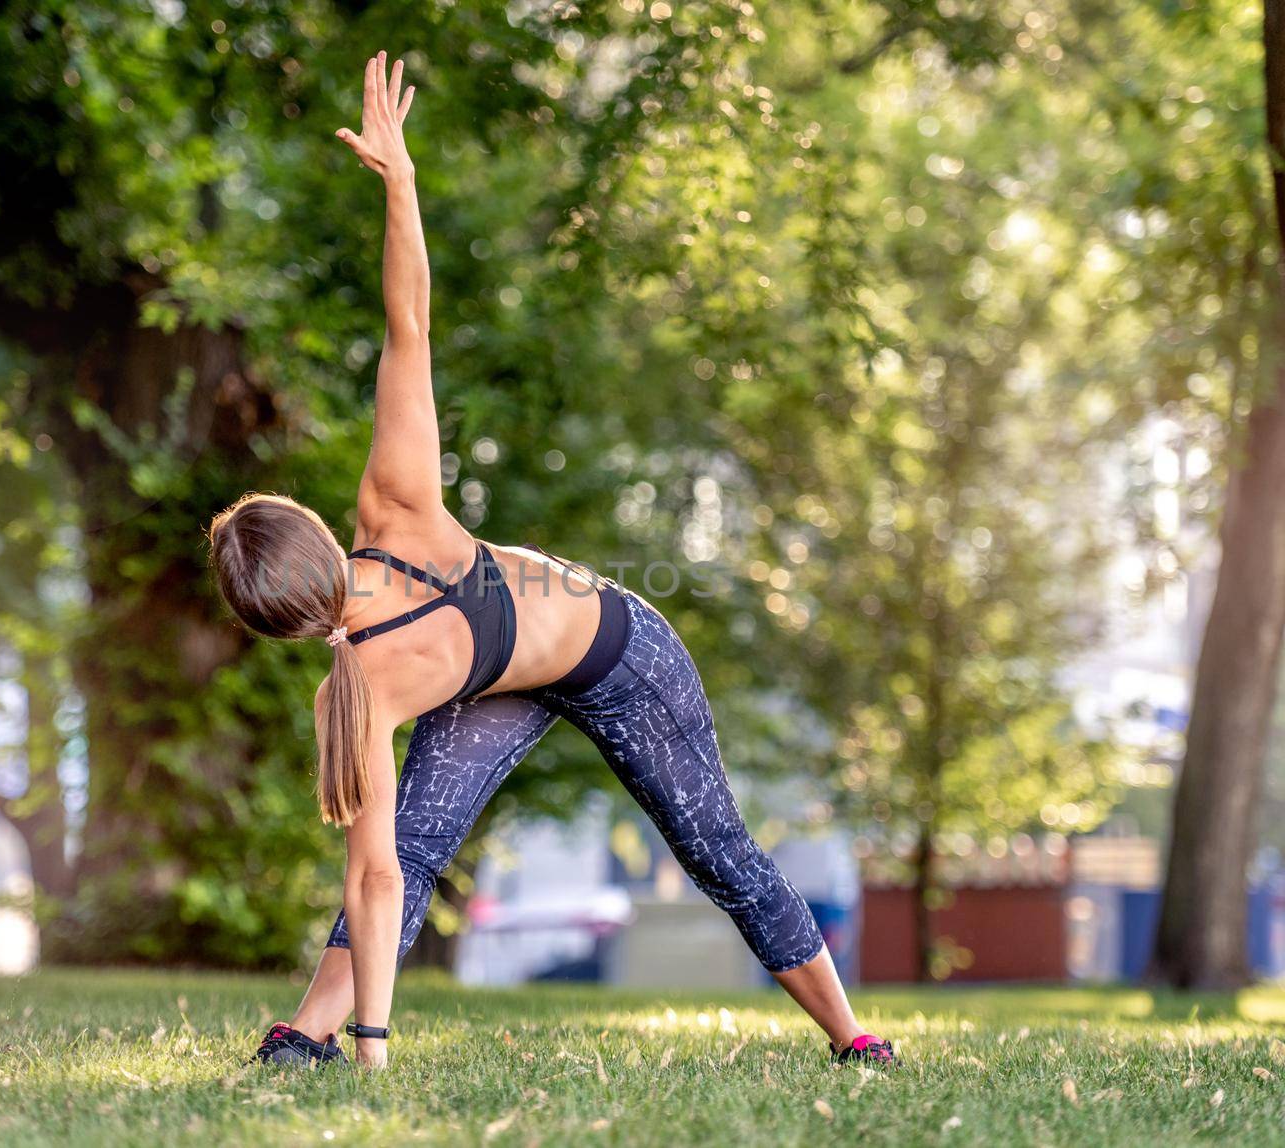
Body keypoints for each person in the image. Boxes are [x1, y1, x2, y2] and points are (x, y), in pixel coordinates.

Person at [208, 51, 894, 1071]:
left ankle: (853, 1035)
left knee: (714, 847)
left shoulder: (374, 608)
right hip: (504, 679)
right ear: (310, 530)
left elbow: (409, 328)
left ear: (266, 621)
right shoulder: (370, 626)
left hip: (618, 651)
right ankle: (303, 1034)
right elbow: (379, 878)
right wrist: (399, 183)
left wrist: (380, 1048)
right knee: (417, 845)